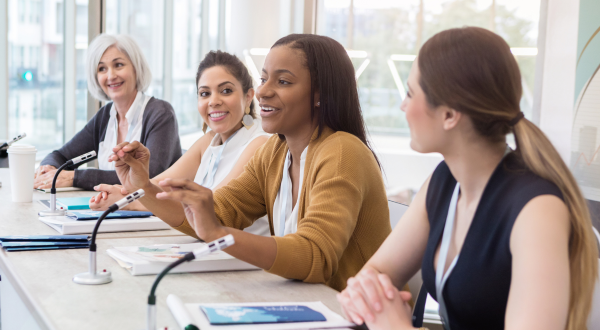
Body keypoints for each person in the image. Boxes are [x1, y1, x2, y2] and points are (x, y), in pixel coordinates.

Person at [337, 27, 598, 330]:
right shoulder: (442, 183)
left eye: (411, 93)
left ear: (448, 114)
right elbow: (373, 277)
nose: (402, 106)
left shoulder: (537, 207)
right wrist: (367, 298)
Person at [108, 34, 391, 291]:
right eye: (264, 78)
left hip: (353, 325)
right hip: (306, 306)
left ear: (319, 94)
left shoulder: (342, 153)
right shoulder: (275, 153)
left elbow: (315, 257)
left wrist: (220, 234)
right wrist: (143, 185)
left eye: (283, 81)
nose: (264, 91)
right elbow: (216, 213)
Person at [90, 51, 270, 235]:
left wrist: (129, 202)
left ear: (249, 96)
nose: (214, 101)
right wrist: (122, 192)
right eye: (205, 93)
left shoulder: (259, 144)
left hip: (241, 258)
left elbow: (212, 210)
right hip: (211, 251)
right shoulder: (209, 140)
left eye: (226, 91)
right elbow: (160, 185)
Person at [34, 34, 181, 191]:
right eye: (102, 69)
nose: (111, 76)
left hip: (155, 213)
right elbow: (60, 156)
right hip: (116, 210)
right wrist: (47, 169)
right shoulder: (105, 117)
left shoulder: (161, 114)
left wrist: (74, 177)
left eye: (118, 65)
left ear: (136, 68)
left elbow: (148, 176)